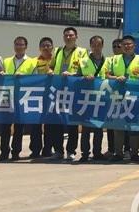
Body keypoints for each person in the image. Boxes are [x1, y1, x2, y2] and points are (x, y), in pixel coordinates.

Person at [47, 27, 87, 161]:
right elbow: (51, 66)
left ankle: (71, 151)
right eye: (66, 35)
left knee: (72, 123)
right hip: (58, 91)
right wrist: (50, 71)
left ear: (76, 37)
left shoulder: (82, 52)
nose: (68, 37)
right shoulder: (58, 51)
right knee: (57, 122)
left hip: (73, 91)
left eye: (71, 35)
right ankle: (58, 150)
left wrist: (72, 74)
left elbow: (85, 70)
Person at [106, 35, 139, 162]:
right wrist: (116, 78)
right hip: (118, 96)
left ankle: (134, 154)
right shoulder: (114, 59)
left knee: (134, 127)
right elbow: (106, 75)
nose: (127, 46)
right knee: (118, 126)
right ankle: (118, 153)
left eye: (129, 44)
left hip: (135, 97)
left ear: (134, 46)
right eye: (124, 44)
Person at [0, 36, 37, 161]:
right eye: (17, 44)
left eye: (21, 44)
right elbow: (1, 77)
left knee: (19, 127)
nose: (19, 47)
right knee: (5, 127)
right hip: (7, 96)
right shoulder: (6, 61)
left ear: (26, 46)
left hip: (22, 97)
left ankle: (16, 152)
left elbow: (35, 80)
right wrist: (1, 74)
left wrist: (24, 77)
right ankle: (4, 152)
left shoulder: (32, 62)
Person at [74, 35, 107, 162]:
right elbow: (76, 78)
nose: (96, 47)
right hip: (86, 98)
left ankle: (97, 152)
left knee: (98, 128)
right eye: (94, 45)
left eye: (99, 45)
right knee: (86, 128)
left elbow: (110, 76)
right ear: (90, 46)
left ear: (102, 46)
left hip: (101, 98)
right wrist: (84, 78)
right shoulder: (83, 61)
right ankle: (85, 153)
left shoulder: (107, 61)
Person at [33, 37, 53, 157]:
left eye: (48, 45)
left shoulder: (56, 61)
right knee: (35, 124)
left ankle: (47, 149)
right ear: (40, 48)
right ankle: (35, 150)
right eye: (43, 46)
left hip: (51, 96)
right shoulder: (34, 61)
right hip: (37, 96)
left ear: (52, 47)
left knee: (49, 124)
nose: (46, 48)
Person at [103, 38, 123, 158]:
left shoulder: (130, 59)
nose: (116, 49)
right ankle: (111, 149)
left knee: (125, 123)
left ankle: (126, 149)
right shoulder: (109, 60)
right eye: (114, 46)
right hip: (112, 95)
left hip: (127, 96)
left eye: (118, 46)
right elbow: (106, 74)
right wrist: (116, 78)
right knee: (111, 124)